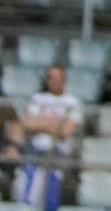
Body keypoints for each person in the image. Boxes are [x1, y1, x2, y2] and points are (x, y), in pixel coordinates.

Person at [10, 66, 83, 211]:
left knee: (51, 194)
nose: (54, 81)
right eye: (51, 78)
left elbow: (66, 132)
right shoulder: (38, 99)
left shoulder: (73, 102)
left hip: (59, 154)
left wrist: (41, 124)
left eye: (58, 78)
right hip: (35, 152)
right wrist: (55, 125)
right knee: (28, 190)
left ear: (64, 80)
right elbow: (27, 123)